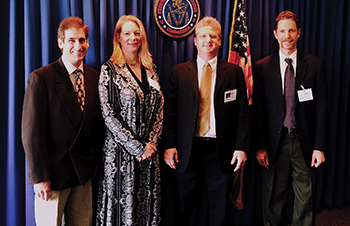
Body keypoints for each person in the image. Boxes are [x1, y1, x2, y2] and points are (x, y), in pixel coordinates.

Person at [163, 16, 249, 226]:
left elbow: (242, 114)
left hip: (220, 149)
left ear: (220, 41)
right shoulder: (179, 72)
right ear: (194, 40)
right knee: (187, 202)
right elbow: (170, 111)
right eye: (203, 36)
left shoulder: (234, 72)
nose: (207, 40)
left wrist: (240, 147)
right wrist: (170, 145)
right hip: (187, 149)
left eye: (213, 36)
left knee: (219, 204)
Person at [22, 16, 103, 225]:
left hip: (83, 174)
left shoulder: (95, 77)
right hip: (53, 175)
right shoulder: (42, 78)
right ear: (60, 43)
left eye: (82, 40)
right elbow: (32, 132)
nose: (78, 46)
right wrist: (39, 176)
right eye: (72, 40)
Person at [253, 10, 328, 226]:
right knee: (273, 199)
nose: (288, 35)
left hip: (304, 143)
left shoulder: (315, 65)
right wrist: (259, 147)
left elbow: (322, 109)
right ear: (275, 34)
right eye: (283, 31)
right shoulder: (261, 67)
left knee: (306, 198)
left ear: (299, 33)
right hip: (274, 144)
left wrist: (319, 147)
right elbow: (257, 111)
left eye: (292, 30)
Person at [96, 15, 164, 225]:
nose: (132, 38)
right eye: (127, 33)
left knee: (145, 209)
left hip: (149, 156)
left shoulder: (150, 69)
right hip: (120, 157)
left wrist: (151, 144)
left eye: (136, 33)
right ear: (118, 37)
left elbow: (160, 109)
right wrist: (137, 148)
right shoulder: (110, 69)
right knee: (121, 213)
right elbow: (108, 114)